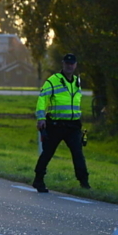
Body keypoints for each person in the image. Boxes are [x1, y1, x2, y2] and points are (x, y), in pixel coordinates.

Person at [33, 53, 88, 193]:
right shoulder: (53, 80)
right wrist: (41, 118)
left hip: (73, 125)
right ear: (63, 64)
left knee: (78, 154)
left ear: (75, 65)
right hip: (55, 125)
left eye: (72, 64)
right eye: (67, 63)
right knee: (48, 153)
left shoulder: (77, 82)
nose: (69, 66)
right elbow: (42, 99)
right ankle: (38, 179)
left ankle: (84, 183)